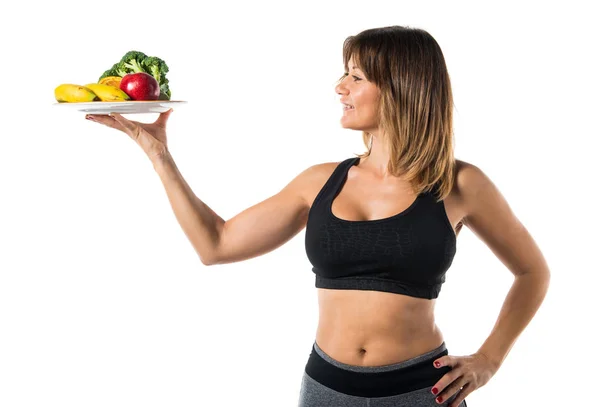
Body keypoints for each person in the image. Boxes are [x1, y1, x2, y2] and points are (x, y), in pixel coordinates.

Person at [85, 25, 551, 407]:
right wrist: (158, 154)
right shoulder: (320, 182)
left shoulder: (460, 184)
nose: (340, 88)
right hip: (327, 390)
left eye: (357, 78)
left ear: (402, 87)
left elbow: (532, 271)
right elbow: (216, 245)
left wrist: (489, 359)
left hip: (419, 391)